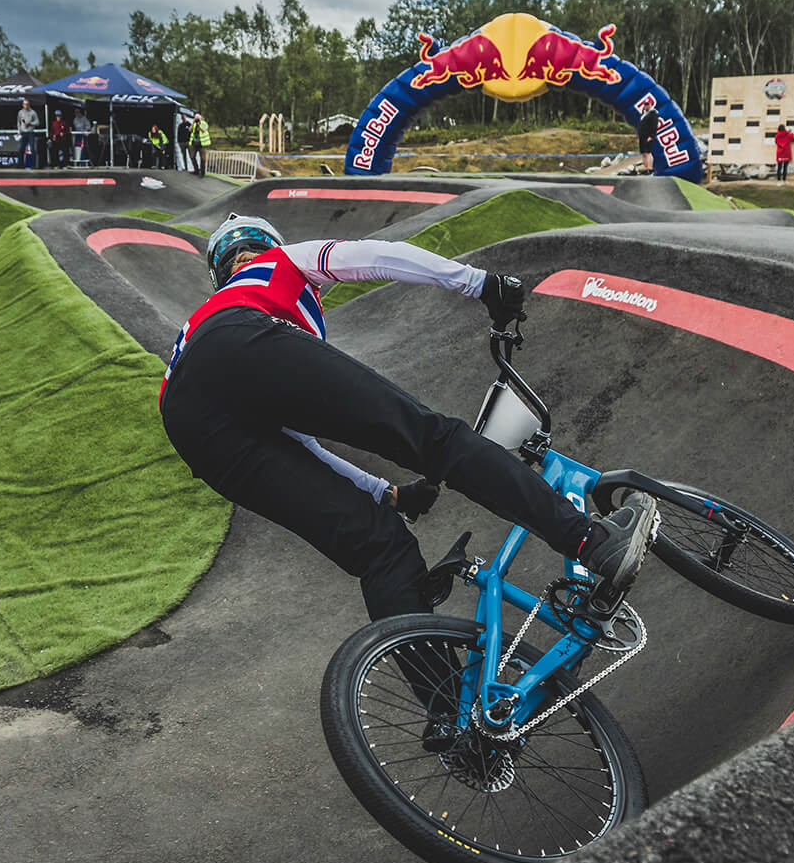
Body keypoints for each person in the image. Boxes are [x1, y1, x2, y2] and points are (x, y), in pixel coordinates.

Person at [157, 214, 663, 624]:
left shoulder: (195, 323)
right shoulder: (279, 263)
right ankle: (591, 543)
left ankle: (454, 724)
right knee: (436, 441)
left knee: (381, 548)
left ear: (220, 271)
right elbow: (380, 257)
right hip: (242, 341)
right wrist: (481, 284)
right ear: (263, 245)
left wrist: (386, 493)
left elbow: (296, 446)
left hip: (183, 419)